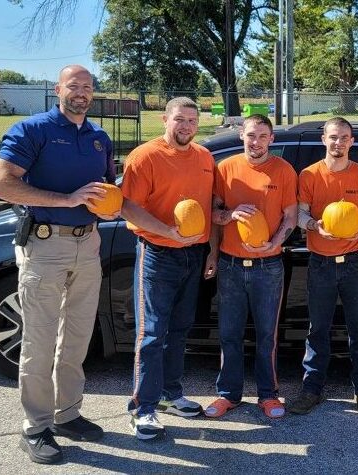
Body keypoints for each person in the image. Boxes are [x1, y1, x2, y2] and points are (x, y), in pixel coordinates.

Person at [0, 65, 114, 464]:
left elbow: (108, 191)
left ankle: (67, 414)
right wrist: (67, 200)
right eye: (73, 86)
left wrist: (111, 207)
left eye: (87, 87)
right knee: (39, 341)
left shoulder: (99, 138)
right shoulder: (32, 130)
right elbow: (0, 184)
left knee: (77, 337)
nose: (81, 93)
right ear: (58, 89)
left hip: (88, 244)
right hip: (45, 245)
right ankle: (35, 426)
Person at [120, 97, 217, 440]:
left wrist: (211, 250)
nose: (186, 126)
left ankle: (170, 394)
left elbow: (208, 207)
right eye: (179, 119)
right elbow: (128, 207)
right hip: (157, 254)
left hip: (193, 255)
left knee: (179, 329)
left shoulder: (204, 157)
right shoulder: (145, 156)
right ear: (165, 119)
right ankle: (142, 408)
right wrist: (167, 232)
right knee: (151, 333)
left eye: (192, 120)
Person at [206, 114, 298, 419]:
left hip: (268, 266)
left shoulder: (283, 171)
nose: (255, 142)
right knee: (229, 334)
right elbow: (212, 214)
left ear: (271, 139)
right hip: (231, 265)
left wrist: (274, 243)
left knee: (266, 336)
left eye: (261, 136)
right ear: (241, 136)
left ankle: (268, 395)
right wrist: (230, 215)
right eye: (250, 135)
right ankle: (228, 394)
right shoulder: (225, 168)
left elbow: (291, 216)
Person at [287, 117, 358, 416]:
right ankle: (311, 389)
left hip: (354, 261)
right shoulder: (310, 175)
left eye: (343, 137)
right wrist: (315, 226)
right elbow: (300, 214)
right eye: (333, 137)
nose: (338, 142)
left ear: (352, 141)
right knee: (318, 328)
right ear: (324, 140)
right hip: (321, 262)